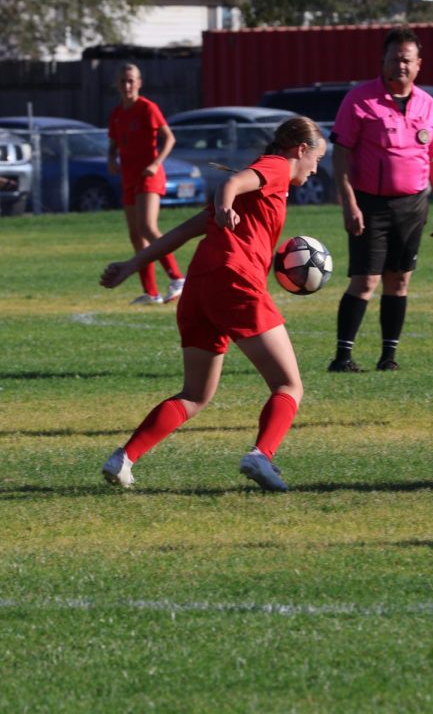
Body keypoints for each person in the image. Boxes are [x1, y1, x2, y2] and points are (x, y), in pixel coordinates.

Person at [97, 116, 326, 492]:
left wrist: (133, 264)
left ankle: (124, 458)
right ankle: (261, 455)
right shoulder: (278, 167)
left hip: (200, 287)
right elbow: (232, 183)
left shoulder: (267, 185)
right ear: (301, 149)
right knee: (289, 384)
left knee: (195, 394)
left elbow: (185, 230)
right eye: (317, 158)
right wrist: (224, 205)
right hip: (234, 282)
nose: (317, 168)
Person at [327, 27, 433, 373]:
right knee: (365, 281)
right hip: (370, 205)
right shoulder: (360, 99)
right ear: (382, 61)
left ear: (418, 64)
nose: (401, 65)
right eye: (394, 58)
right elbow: (340, 154)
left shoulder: (427, 104)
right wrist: (349, 203)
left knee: (399, 280)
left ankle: (388, 356)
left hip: (412, 206)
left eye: (407, 60)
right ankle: (343, 356)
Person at [107, 63, 185, 305]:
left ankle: (178, 279)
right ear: (117, 84)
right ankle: (151, 293)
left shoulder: (147, 108)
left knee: (148, 228)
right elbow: (113, 144)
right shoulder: (117, 113)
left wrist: (156, 163)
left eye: (131, 81)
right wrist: (111, 159)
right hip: (129, 177)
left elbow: (169, 137)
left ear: (139, 83)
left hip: (149, 176)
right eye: (123, 81)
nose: (127, 85)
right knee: (136, 235)